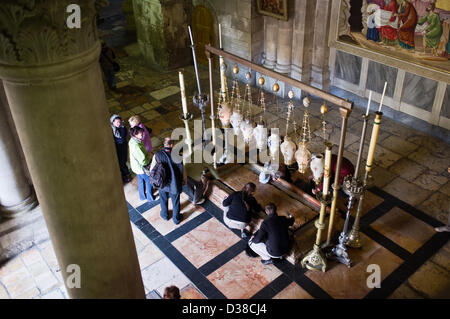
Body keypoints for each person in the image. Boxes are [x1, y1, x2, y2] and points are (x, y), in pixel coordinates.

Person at [149, 137, 185, 224]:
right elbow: (183, 171)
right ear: (172, 145)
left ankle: (165, 215)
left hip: (162, 183)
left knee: (163, 199)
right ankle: (176, 219)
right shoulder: (178, 156)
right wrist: (184, 181)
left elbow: (152, 170)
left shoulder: (157, 155)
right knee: (175, 201)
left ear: (164, 145)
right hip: (174, 183)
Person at [129, 126, 154, 202]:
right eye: (141, 134)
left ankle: (142, 196)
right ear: (135, 135)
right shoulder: (137, 146)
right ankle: (150, 198)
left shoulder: (132, 140)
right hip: (141, 168)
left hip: (135, 167)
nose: (143, 135)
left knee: (140, 181)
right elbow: (143, 161)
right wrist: (149, 156)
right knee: (148, 181)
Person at [110, 114, 131, 183]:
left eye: (119, 122)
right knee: (119, 163)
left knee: (122, 162)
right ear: (113, 123)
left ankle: (127, 175)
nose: (119, 124)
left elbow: (121, 139)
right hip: (116, 148)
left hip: (122, 147)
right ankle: (123, 175)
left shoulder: (122, 128)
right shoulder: (112, 129)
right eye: (117, 122)